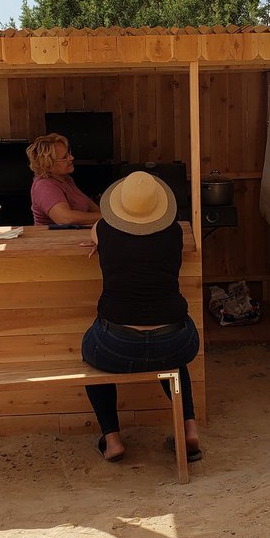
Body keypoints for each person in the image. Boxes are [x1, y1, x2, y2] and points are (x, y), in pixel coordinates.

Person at [80, 170, 201, 464]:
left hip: (115, 345)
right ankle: (189, 428)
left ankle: (112, 440)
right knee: (175, 362)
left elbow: (95, 232)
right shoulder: (174, 232)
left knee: (90, 357)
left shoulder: (104, 230)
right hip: (175, 340)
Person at [26, 133, 101, 227]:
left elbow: (90, 205)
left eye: (69, 153)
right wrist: (104, 218)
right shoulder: (44, 185)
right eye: (64, 157)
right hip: (54, 239)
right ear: (48, 164)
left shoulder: (66, 179)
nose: (71, 158)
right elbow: (65, 218)